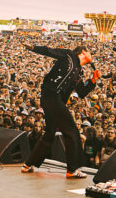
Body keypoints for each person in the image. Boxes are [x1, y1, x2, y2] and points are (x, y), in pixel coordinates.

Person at [21, 44, 100, 179]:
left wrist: (93, 80)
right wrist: (33, 48)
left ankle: (28, 164)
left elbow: (81, 92)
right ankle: (72, 169)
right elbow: (50, 51)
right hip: (51, 95)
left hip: (54, 100)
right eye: (90, 52)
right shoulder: (69, 55)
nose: (91, 55)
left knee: (50, 133)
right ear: (83, 52)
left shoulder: (79, 71)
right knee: (72, 131)